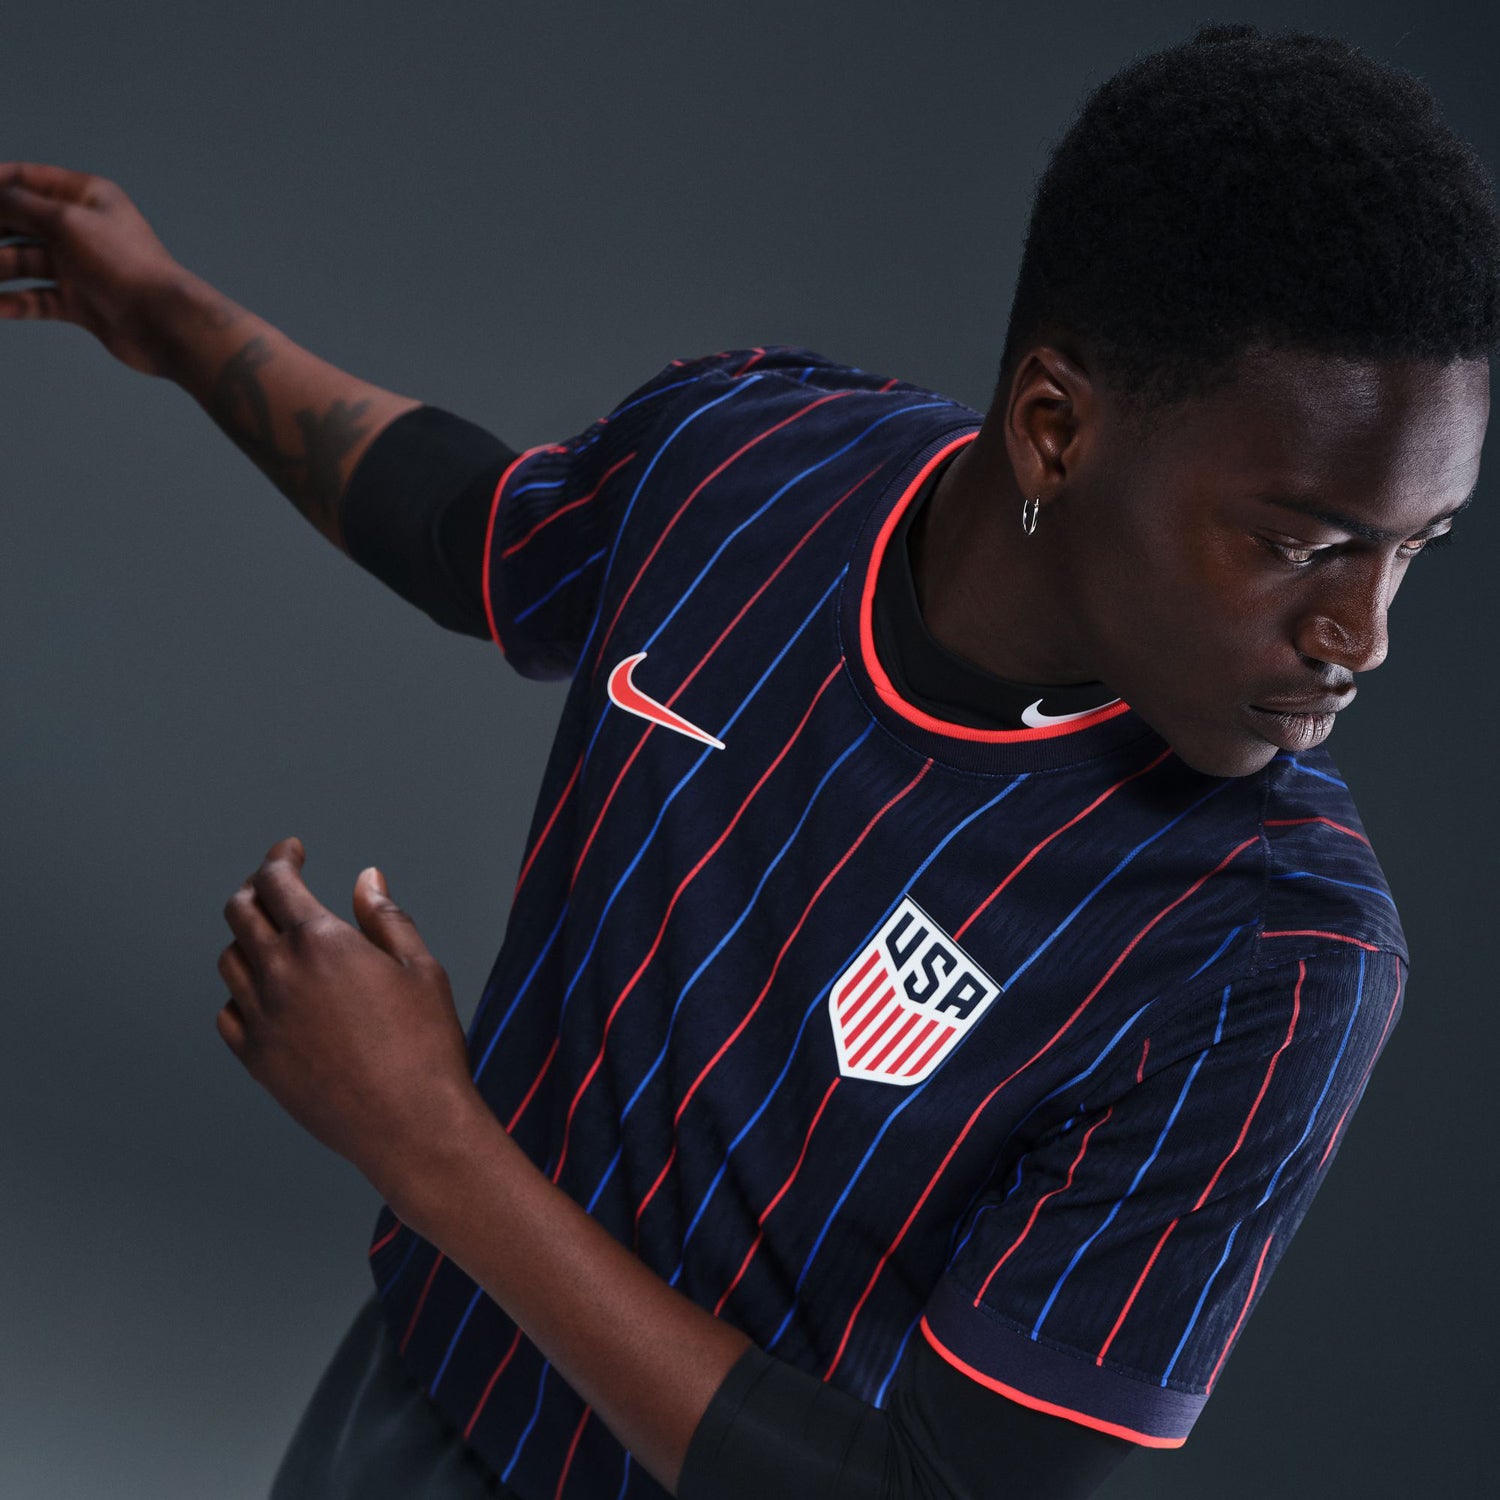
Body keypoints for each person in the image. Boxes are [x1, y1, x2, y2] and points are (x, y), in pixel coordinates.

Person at [1, 18, 1492, 1500]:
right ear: (1055, 430)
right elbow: (475, 533)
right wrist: (166, 315)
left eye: (1415, 547)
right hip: (407, 1401)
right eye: (1300, 543)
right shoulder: (749, 459)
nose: (1362, 635)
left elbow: (929, 1492)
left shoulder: (1276, 954)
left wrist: (429, 1142)